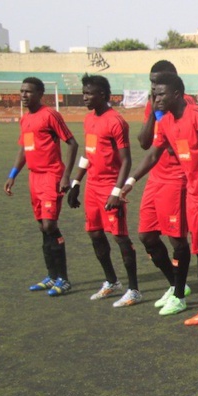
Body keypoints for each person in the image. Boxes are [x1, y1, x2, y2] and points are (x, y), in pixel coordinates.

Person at [122, 73, 198, 333]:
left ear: (175, 94)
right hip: (194, 193)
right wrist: (130, 181)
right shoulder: (167, 122)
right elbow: (153, 153)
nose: (155, 98)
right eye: (153, 94)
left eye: (160, 94)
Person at [65, 75, 140, 306]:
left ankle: (134, 289)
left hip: (110, 185)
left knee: (120, 237)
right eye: (84, 92)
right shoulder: (88, 120)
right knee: (95, 234)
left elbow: (126, 160)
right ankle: (111, 281)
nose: (85, 97)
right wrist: (76, 183)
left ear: (104, 96)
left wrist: (117, 192)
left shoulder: (116, 122)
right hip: (92, 187)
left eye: (90, 93)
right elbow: (88, 153)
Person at [4, 77, 78, 296]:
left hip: (51, 175)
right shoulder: (25, 119)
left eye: (28, 92)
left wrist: (66, 176)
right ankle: (51, 276)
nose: (23, 95)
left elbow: (72, 143)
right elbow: (24, 149)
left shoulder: (50, 115)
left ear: (40, 94)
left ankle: (63, 279)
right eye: (21, 91)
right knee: (41, 227)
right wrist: (12, 174)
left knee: (49, 225)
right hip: (33, 177)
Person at [134, 61, 195, 316]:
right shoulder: (154, 103)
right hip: (156, 177)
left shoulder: (187, 104)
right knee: (146, 236)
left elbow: (173, 145)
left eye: (158, 83)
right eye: (151, 83)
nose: (154, 88)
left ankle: (179, 295)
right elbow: (144, 143)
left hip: (177, 177)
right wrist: (153, 113)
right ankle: (175, 284)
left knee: (177, 239)